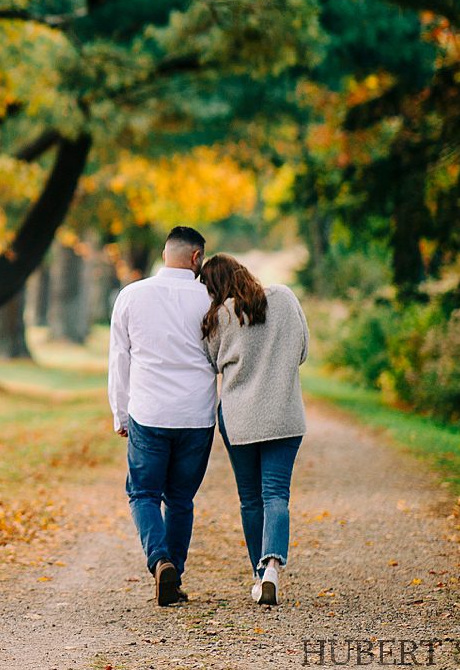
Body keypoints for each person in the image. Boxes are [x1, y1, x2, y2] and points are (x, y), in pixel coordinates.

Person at [107, 225, 216, 606]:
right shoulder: (211, 298)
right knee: (181, 498)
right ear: (196, 258)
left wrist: (120, 413)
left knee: (144, 493)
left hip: (149, 412)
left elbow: (120, 358)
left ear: (166, 252)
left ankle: (160, 561)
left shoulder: (132, 295)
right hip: (196, 414)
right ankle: (175, 576)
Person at [197, 252, 310, 606]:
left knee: (250, 499)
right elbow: (303, 351)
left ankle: (259, 577)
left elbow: (212, 362)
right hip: (284, 415)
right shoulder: (285, 298)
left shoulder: (219, 317)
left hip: (240, 419)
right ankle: (273, 565)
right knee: (276, 494)